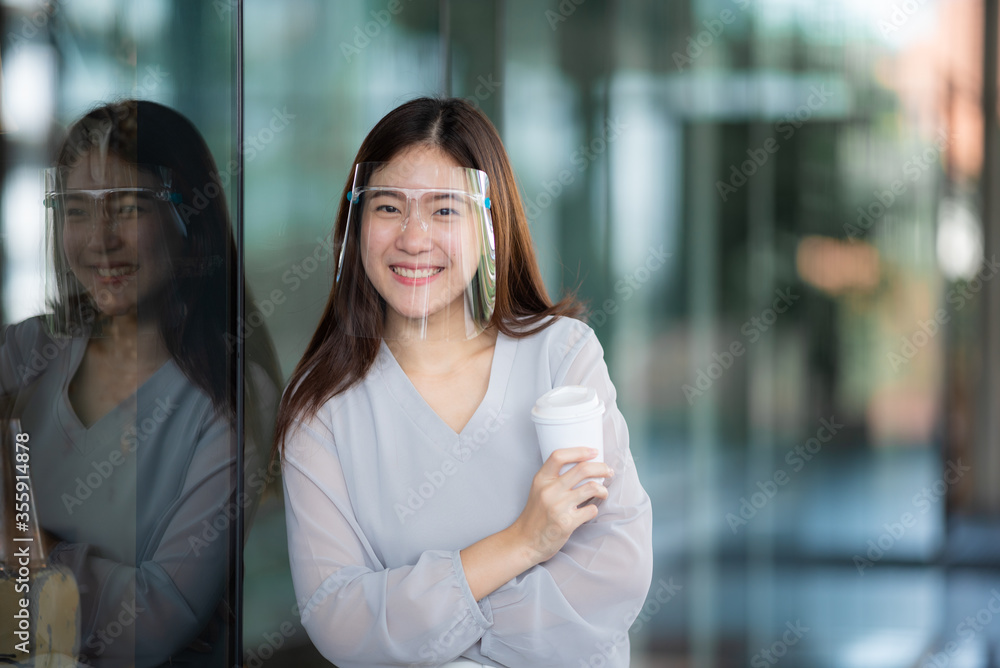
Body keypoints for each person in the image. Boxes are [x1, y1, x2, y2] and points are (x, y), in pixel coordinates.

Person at [275, 97, 652, 667]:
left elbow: (615, 568)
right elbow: (340, 619)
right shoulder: (320, 409)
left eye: (445, 211)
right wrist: (525, 541)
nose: (413, 237)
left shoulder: (561, 356)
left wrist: (435, 635)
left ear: (489, 224)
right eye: (387, 207)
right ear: (356, 224)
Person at [0, 100, 281, 667]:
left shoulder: (232, 396)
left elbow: (149, 631)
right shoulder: (29, 352)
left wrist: (17, 540)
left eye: (127, 207)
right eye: (77, 210)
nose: (99, 241)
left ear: (189, 219)